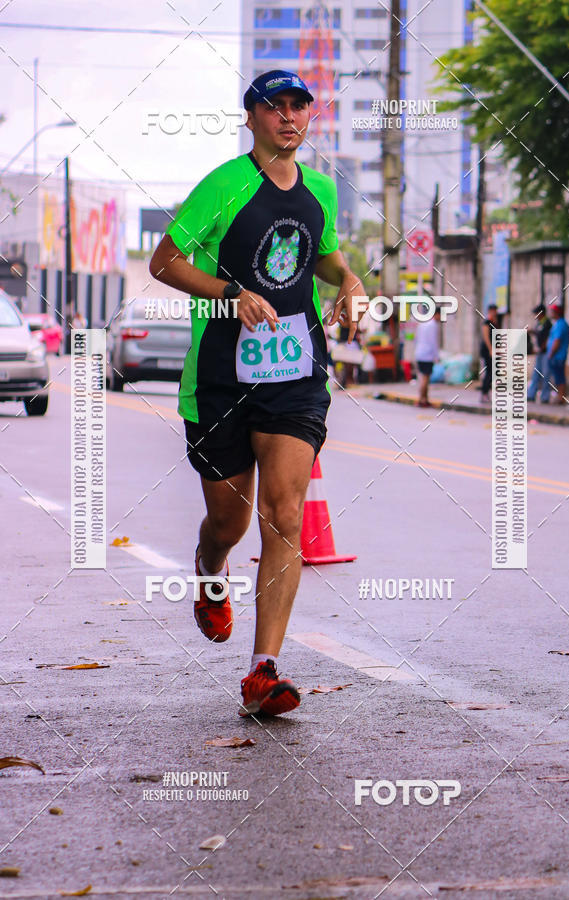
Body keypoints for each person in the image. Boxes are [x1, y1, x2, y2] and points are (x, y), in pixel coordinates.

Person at [149, 69, 366, 718]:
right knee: (229, 521)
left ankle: (262, 671)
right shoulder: (225, 185)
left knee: (285, 514)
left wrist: (349, 280)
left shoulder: (320, 190)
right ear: (251, 118)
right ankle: (210, 570)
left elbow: (324, 257)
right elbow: (165, 260)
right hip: (221, 378)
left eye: (301, 106)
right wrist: (229, 295)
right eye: (276, 107)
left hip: (296, 373)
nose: (290, 117)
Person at [542, 302, 569, 404]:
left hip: (557, 356)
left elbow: (557, 341)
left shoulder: (560, 324)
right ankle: (560, 397)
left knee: (559, 377)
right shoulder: (561, 323)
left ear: (557, 313)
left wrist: (551, 353)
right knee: (558, 376)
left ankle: (561, 397)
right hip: (559, 354)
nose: (551, 313)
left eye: (553, 311)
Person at [414, 306, 441, 407]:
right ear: (437, 314)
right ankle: (422, 399)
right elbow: (433, 342)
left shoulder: (422, 324)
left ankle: (424, 398)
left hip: (419, 353)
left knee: (423, 377)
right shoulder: (433, 325)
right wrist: (436, 356)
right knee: (425, 378)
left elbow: (417, 339)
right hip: (427, 355)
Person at [527, 303, 552, 402]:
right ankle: (531, 394)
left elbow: (548, 338)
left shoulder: (547, 324)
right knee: (536, 373)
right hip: (540, 353)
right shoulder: (539, 323)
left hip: (545, 352)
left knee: (545, 374)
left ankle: (545, 397)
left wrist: (542, 348)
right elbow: (539, 333)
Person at [479, 304, 498, 403]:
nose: (495, 312)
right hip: (488, 351)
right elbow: (486, 337)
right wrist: (491, 349)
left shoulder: (495, 321)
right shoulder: (487, 322)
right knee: (489, 372)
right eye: (493, 310)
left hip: (493, 350)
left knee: (493, 372)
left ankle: (486, 392)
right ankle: (484, 393)